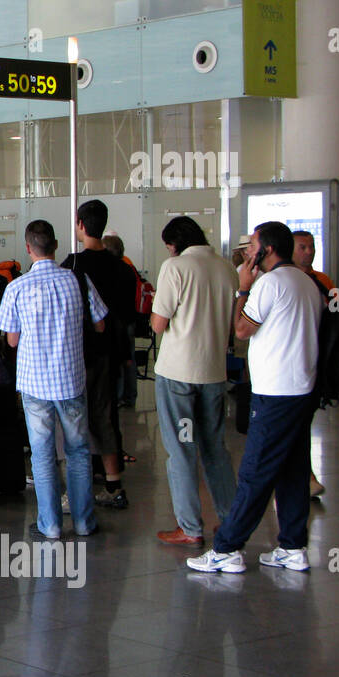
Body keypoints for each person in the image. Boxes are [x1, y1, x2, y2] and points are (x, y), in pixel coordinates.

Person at [187, 222, 325, 574]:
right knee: (293, 471)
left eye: (253, 247)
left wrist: (242, 290)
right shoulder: (306, 282)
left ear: (268, 249)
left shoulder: (270, 284)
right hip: (301, 390)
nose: (248, 252)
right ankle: (292, 546)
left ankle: (227, 548)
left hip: (276, 394)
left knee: (254, 473)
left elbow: (242, 329)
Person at [0, 220, 108, 539]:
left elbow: (12, 340)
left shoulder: (17, 287)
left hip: (34, 383)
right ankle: (85, 522)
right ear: (56, 245)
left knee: (42, 453)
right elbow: (100, 324)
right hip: (71, 378)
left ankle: (51, 524)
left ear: (28, 248)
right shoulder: (77, 280)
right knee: (78, 450)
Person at [148, 217, 239, 547]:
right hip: (214, 373)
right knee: (215, 449)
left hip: (178, 377)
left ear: (175, 243)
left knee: (181, 450)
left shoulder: (175, 267)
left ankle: (189, 527)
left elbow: (158, 324)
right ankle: (231, 520)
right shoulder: (227, 268)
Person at [61, 200, 137, 509]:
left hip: (78, 354)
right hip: (111, 354)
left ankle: (79, 486)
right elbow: (129, 317)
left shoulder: (73, 266)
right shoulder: (123, 269)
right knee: (106, 416)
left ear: (80, 224)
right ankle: (113, 483)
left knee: (75, 420)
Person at [291, 229, 332, 497]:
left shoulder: (324, 282)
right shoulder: (281, 280)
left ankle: (305, 476)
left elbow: (338, 319)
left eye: (312, 246)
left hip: (313, 361)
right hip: (286, 364)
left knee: (300, 425)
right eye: (303, 247)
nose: (309, 251)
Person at [102, 234, 140, 406]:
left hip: (115, 320)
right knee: (129, 358)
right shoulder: (128, 269)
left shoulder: (108, 271)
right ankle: (130, 395)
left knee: (115, 359)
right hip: (129, 319)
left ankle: (116, 397)